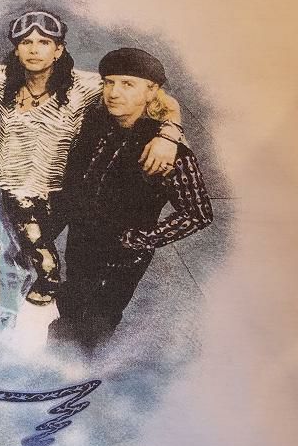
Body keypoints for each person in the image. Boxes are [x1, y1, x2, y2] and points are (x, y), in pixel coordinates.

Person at [0, 10, 185, 306]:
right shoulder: (0, 79)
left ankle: (69, 299)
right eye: (26, 42)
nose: (34, 49)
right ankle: (47, 283)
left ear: (58, 50)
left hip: (62, 187)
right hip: (14, 186)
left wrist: (169, 135)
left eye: (44, 42)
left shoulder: (83, 86)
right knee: (36, 247)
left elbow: (163, 100)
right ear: (17, 49)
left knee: (48, 245)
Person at [53, 47, 213, 345]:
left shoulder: (168, 151)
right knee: (70, 306)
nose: (114, 92)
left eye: (128, 84)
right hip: (80, 243)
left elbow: (198, 213)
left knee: (98, 322)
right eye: (109, 82)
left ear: (151, 91)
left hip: (121, 258)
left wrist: (140, 239)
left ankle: (86, 366)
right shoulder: (96, 125)